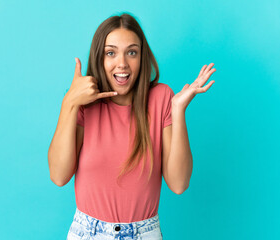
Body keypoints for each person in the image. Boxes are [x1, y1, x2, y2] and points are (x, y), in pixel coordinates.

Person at [48, 12, 216, 240]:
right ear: (100, 58)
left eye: (132, 52)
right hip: (88, 233)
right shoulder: (83, 103)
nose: (122, 64)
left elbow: (178, 184)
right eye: (111, 53)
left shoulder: (161, 98)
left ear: (142, 57)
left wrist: (178, 110)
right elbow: (59, 176)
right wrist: (69, 102)